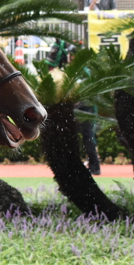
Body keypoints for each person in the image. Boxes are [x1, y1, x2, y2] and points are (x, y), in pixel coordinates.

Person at [45, 39, 101, 175]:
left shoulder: (83, 71)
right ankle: (79, 164)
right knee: (75, 136)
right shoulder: (71, 71)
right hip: (77, 107)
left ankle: (95, 166)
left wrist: (77, 102)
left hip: (85, 108)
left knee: (87, 137)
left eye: (71, 56)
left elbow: (88, 90)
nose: (69, 58)